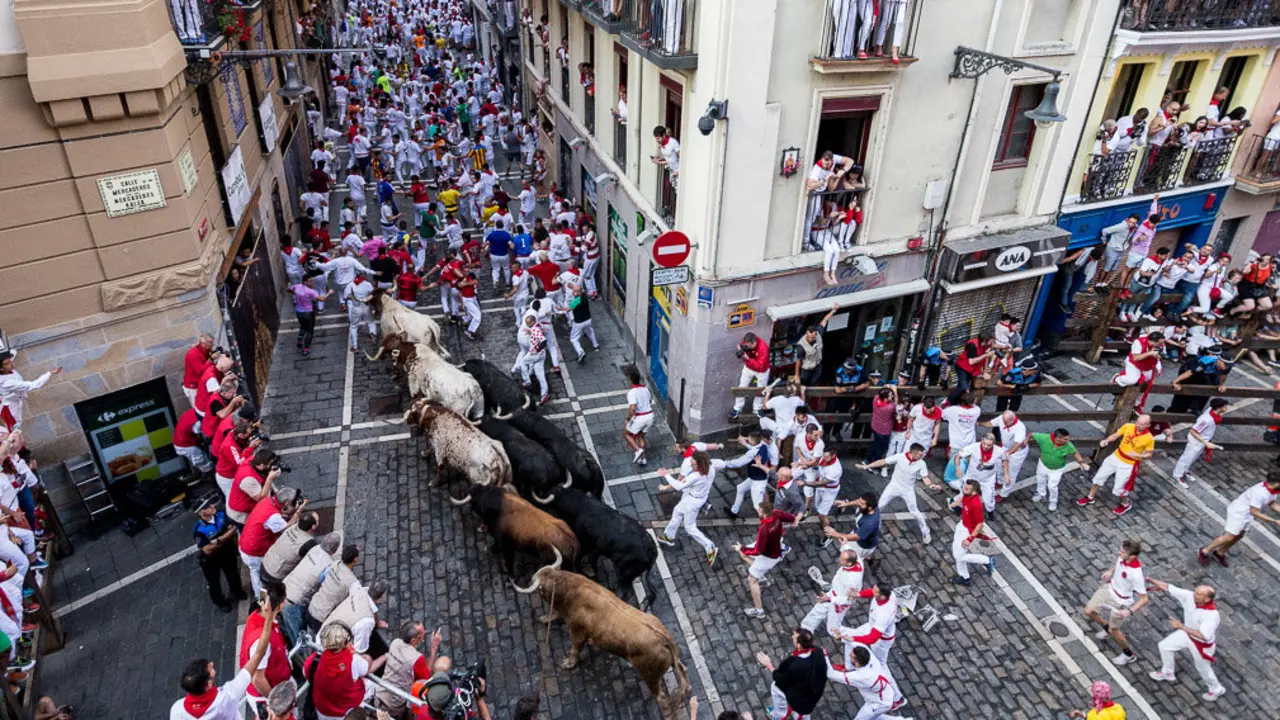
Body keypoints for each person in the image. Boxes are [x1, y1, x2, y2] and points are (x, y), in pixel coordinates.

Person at [169, 602, 275, 720]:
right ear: (208, 684)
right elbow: (258, 655)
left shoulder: (177, 710)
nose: (212, 664)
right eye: (209, 669)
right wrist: (269, 618)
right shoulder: (227, 697)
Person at [1145, 579, 1225, 702]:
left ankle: (1216, 689)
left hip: (1201, 645)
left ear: (1207, 599)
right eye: (1195, 592)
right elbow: (1169, 586)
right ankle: (1167, 672)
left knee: (1203, 668)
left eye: (1198, 594)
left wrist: (1181, 627)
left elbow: (1203, 636)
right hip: (1187, 634)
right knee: (1164, 646)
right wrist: (1151, 580)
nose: (1194, 594)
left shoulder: (1211, 615)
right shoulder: (1190, 596)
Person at [1083, 540, 1150, 667]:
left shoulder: (1136, 575)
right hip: (1109, 589)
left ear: (1132, 556)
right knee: (1088, 611)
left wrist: (1128, 611)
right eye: (1121, 550)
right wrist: (1111, 571)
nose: (1120, 553)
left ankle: (1128, 654)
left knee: (1115, 630)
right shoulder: (1122, 557)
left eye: (1123, 552)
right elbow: (1118, 563)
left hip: (1121, 602)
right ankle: (1105, 627)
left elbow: (1144, 599)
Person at [1077, 414, 1155, 516]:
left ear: (1148, 425)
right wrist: (1107, 440)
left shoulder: (1149, 438)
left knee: (1119, 488)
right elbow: (1115, 435)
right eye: (1137, 422)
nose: (1138, 425)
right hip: (1116, 456)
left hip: (1129, 464)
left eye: (1142, 424)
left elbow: (1149, 454)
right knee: (1099, 477)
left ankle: (1125, 504)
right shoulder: (1128, 426)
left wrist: (1137, 455)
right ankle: (1090, 497)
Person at [305, 621, 385, 720]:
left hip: (322, 710)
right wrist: (367, 657)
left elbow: (306, 673)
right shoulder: (352, 661)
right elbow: (366, 667)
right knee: (373, 685)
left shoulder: (315, 659)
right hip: (346, 712)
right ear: (345, 643)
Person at [1198, 472, 1280, 567]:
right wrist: (1274, 521)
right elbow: (1254, 512)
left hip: (1246, 514)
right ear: (1277, 483)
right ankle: (1205, 551)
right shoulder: (1260, 493)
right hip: (1238, 513)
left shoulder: (1272, 489)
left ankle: (1220, 552)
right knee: (1229, 537)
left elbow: (1273, 504)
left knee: (1239, 535)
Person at [862, 443, 939, 544]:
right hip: (893, 486)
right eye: (920, 454)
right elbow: (883, 461)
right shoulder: (900, 457)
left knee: (915, 512)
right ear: (914, 453)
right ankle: (874, 525)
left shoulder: (922, 464)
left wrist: (931, 485)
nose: (923, 455)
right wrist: (868, 466)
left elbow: (925, 477)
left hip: (908, 490)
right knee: (879, 507)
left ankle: (926, 532)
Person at [655, 450, 720, 566]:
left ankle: (710, 547)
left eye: (693, 463)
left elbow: (679, 486)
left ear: (700, 464)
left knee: (690, 527)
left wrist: (666, 475)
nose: (691, 465)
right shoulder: (711, 468)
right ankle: (668, 536)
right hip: (700, 497)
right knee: (677, 511)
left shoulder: (695, 476)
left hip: (692, 501)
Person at [240, 485, 304, 598]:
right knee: (258, 575)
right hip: (253, 552)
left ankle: (261, 597)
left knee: (255, 572)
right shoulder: (273, 517)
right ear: (286, 503)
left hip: (246, 543)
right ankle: (261, 599)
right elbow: (287, 529)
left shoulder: (268, 501)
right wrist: (297, 513)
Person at [280, 531, 342, 644]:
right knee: (299, 635)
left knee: (290, 627)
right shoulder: (328, 565)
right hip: (295, 601)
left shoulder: (315, 549)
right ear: (334, 551)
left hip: (284, 590)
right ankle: (301, 657)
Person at [738, 502, 795, 619]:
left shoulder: (764, 530)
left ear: (763, 513)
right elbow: (791, 518)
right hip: (774, 548)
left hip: (767, 557)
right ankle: (762, 578)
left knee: (752, 580)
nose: (757, 511)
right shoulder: (777, 514)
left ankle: (759, 611)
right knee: (743, 555)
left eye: (759, 510)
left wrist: (742, 548)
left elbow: (758, 551)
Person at [755, 628, 826, 720]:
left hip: (804, 698)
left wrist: (768, 664)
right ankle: (781, 711)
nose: (792, 637)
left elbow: (780, 679)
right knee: (777, 688)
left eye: (794, 637)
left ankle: (779, 715)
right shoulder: (817, 651)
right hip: (806, 687)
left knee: (777, 688)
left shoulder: (795, 665)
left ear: (799, 645)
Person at [824, 644, 909, 720]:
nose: (849, 655)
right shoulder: (870, 658)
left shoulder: (861, 677)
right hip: (884, 696)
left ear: (857, 661)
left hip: (878, 703)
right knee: (875, 717)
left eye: (851, 656)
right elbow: (861, 645)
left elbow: (831, 674)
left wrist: (824, 655)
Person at [376, 621, 443, 716]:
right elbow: (426, 676)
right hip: (396, 702)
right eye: (422, 633)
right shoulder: (416, 658)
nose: (425, 632)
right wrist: (433, 649)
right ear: (413, 641)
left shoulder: (395, 642)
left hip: (380, 691)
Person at [240, 582, 292, 702]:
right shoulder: (261, 641)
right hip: (267, 694)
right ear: (279, 606)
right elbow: (257, 679)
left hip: (277, 680)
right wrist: (274, 701)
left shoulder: (255, 615)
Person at [192, 499, 244, 613]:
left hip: (226, 552)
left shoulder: (221, 515)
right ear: (201, 513)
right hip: (210, 560)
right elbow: (207, 549)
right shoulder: (198, 529)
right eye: (207, 507)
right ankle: (220, 602)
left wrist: (217, 541)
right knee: (214, 583)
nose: (212, 506)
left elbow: (232, 528)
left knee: (233, 573)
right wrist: (226, 536)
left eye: (210, 504)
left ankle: (237, 591)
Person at [800, 548, 863, 639]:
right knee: (818, 610)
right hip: (832, 593)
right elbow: (848, 548)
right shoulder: (857, 560)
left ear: (849, 563)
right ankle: (805, 630)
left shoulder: (852, 581)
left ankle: (855, 636)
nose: (839, 560)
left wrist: (830, 599)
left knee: (832, 629)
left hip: (839, 603)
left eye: (842, 559)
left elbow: (849, 599)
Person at [833, 583, 898, 667]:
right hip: (871, 627)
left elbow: (872, 638)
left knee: (879, 663)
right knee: (849, 640)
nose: (872, 591)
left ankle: (884, 679)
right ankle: (849, 668)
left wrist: (854, 638)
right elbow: (872, 591)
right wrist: (858, 594)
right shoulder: (890, 594)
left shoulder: (883, 614)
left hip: (881, 640)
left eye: (875, 591)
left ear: (882, 596)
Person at [320, 580, 390, 656]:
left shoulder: (361, 590)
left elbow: (373, 608)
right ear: (381, 597)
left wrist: (378, 622)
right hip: (329, 649)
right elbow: (359, 650)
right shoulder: (367, 621)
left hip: (325, 631)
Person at [1171, 398, 1228, 488]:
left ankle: (1185, 470)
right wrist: (1205, 442)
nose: (1226, 408)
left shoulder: (1212, 412)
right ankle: (1177, 474)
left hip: (1203, 441)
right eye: (1225, 406)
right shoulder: (1207, 420)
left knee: (1193, 458)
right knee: (1187, 458)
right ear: (1219, 408)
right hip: (1197, 442)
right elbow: (1194, 431)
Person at [950, 479, 996, 586]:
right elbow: (963, 499)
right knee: (957, 552)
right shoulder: (967, 495)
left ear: (974, 490)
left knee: (959, 556)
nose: (964, 489)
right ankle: (964, 577)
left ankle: (986, 560)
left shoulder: (976, 505)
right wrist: (956, 503)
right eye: (964, 487)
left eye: (966, 488)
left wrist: (969, 538)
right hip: (962, 525)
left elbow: (980, 524)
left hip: (967, 531)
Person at [1030, 429, 1089, 511]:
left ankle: (1053, 501)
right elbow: (1032, 434)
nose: (1067, 440)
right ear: (1057, 438)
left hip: (1057, 470)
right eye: (1065, 439)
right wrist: (1025, 442)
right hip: (1042, 465)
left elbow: (1075, 453)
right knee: (1040, 480)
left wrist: (1082, 462)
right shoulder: (1044, 438)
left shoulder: (1068, 445)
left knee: (1052, 486)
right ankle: (1040, 493)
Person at [307, 544, 362, 633]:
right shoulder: (353, 582)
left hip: (312, 607)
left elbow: (321, 578)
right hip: (322, 618)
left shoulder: (334, 563)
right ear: (355, 559)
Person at [0, 353, 61, 432]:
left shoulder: (10, 371)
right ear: (1, 369)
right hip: (10, 409)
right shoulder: (7, 382)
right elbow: (34, 384)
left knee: (15, 428)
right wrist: (49, 373)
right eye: (7, 363)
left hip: (15, 402)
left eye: (10, 361)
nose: (11, 363)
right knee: (14, 431)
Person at [259, 510, 319, 585]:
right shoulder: (308, 543)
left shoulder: (293, 526)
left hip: (264, 564)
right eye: (317, 520)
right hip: (274, 577)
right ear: (313, 526)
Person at [727, 431, 776, 518]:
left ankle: (767, 522)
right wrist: (745, 444)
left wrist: (724, 463)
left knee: (757, 506)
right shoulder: (762, 444)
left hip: (758, 481)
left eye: (749, 439)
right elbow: (754, 449)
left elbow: (739, 463)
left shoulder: (752, 452)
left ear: (753, 442)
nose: (748, 440)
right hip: (756, 477)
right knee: (740, 488)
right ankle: (734, 512)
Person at [825, 493, 880, 563]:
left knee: (853, 558)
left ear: (869, 508)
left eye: (862, 504)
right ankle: (866, 556)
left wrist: (835, 534)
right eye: (860, 501)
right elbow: (859, 501)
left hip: (861, 545)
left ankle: (863, 558)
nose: (859, 504)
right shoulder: (869, 506)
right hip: (859, 533)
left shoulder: (869, 523)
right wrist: (846, 504)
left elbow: (856, 537)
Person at [989, 410, 1030, 501]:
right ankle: (999, 482)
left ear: (1012, 420)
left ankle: (1004, 493)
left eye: (1005, 422)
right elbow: (990, 423)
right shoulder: (1002, 419)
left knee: (1011, 473)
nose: (1002, 423)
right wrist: (978, 424)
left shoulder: (1020, 427)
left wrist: (1008, 453)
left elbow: (1017, 444)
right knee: (999, 465)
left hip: (1017, 452)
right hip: (1006, 448)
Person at [793, 305, 838, 386]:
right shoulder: (801, 345)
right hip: (807, 368)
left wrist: (833, 311)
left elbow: (824, 320)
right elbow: (799, 360)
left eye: (813, 337)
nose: (811, 339)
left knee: (815, 383)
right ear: (806, 333)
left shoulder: (819, 333)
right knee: (804, 384)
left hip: (817, 365)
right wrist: (797, 375)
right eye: (809, 337)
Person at [730, 332, 771, 418]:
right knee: (742, 386)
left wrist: (748, 359)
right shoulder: (746, 343)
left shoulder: (763, 348)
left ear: (754, 343)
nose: (747, 347)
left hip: (761, 370)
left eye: (748, 346)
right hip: (749, 367)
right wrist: (740, 349)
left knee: (761, 389)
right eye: (746, 345)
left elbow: (760, 366)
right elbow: (742, 346)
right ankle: (737, 408)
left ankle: (757, 408)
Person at [291, 272, 332, 356]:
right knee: (309, 330)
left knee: (302, 325)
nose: (312, 283)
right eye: (310, 281)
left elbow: (288, 289)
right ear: (305, 282)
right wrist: (329, 293)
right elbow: (322, 299)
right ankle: (305, 348)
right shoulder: (310, 291)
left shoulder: (297, 287)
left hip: (299, 312)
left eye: (312, 281)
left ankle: (299, 340)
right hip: (308, 313)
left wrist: (294, 293)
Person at [948, 334, 995, 405]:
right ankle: (949, 401)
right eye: (991, 341)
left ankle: (956, 403)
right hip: (962, 368)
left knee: (962, 387)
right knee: (963, 387)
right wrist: (986, 355)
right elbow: (971, 361)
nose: (992, 343)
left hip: (971, 370)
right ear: (985, 341)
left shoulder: (986, 346)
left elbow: (986, 358)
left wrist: (985, 371)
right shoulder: (972, 345)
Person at [561, 284, 599, 364]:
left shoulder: (575, 301)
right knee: (590, 331)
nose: (572, 292)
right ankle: (596, 346)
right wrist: (572, 286)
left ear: (575, 293)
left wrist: (558, 308)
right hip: (588, 319)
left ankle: (580, 352)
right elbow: (579, 288)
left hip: (579, 322)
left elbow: (568, 309)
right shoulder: (584, 295)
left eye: (573, 291)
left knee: (573, 339)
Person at [624, 366, 654, 465]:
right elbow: (649, 401)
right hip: (650, 416)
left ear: (630, 380)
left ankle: (638, 450)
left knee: (627, 434)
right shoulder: (646, 389)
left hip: (640, 417)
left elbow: (633, 408)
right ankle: (643, 459)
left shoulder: (631, 393)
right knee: (641, 436)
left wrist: (628, 419)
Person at [941, 391, 981, 457]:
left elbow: (942, 409)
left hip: (956, 443)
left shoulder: (952, 410)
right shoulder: (977, 410)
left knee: (953, 463)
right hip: (970, 443)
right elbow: (974, 405)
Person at [182, 335, 216, 408]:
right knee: (198, 407)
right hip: (193, 386)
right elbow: (199, 371)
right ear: (203, 343)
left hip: (201, 383)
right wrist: (210, 359)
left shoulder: (204, 349)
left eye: (212, 342)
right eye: (210, 342)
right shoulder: (193, 354)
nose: (212, 345)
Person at [651, 125, 680, 190]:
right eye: (656, 138)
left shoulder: (673, 142)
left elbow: (680, 157)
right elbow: (668, 157)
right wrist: (659, 160)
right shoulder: (662, 143)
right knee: (674, 190)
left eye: (658, 138)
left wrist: (680, 171)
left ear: (664, 135)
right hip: (672, 171)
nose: (657, 140)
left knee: (678, 191)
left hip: (678, 171)